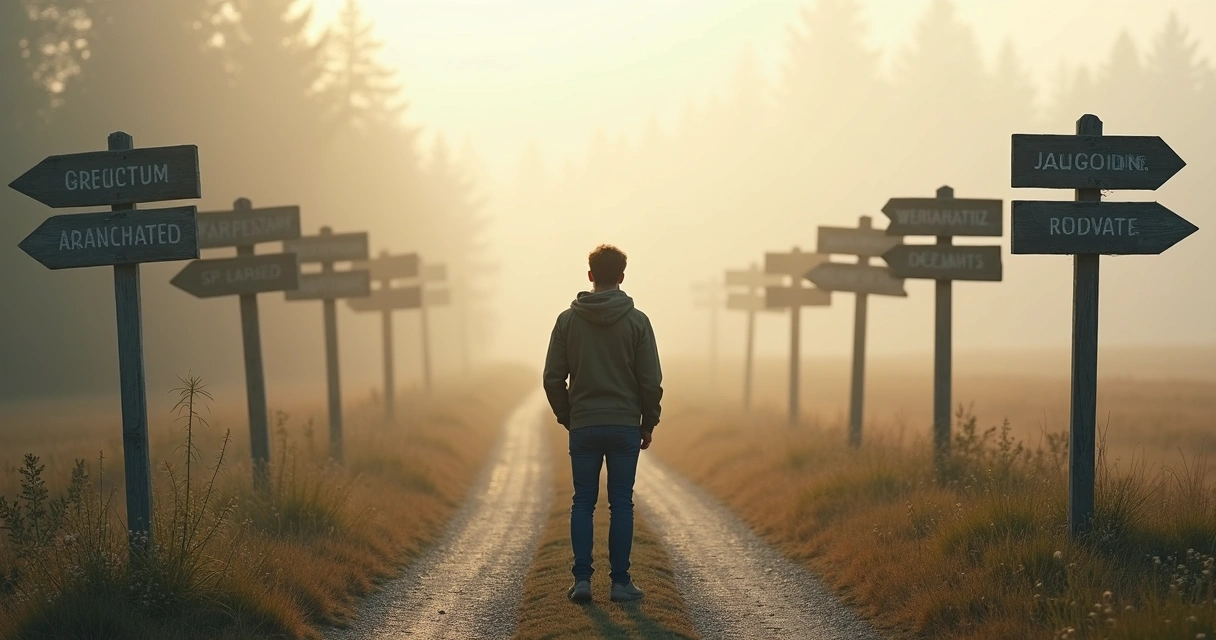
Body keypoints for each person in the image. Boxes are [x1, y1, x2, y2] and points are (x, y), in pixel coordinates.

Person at [543, 244, 663, 603]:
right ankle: (620, 583)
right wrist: (648, 423)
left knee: (583, 502)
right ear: (622, 277)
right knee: (621, 503)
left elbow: (552, 378)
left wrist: (569, 416)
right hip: (625, 425)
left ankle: (581, 581)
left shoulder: (567, 320)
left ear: (590, 275)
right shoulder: (638, 321)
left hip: (584, 425)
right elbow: (650, 381)